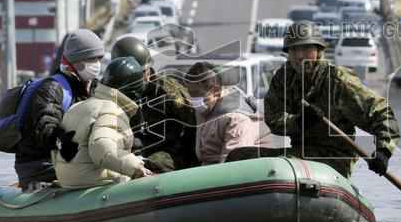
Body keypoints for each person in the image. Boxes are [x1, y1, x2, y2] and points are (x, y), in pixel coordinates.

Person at [228, 21, 400, 179]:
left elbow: (381, 114)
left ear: (319, 51)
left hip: (333, 158)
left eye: (306, 49)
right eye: (294, 50)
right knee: (237, 156)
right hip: (299, 152)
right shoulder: (285, 77)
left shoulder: (338, 81)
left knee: (282, 166)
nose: (300, 56)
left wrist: (383, 151)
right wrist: (299, 121)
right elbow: (273, 118)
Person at [15, 29, 104, 188]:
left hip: (74, 160)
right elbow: (45, 125)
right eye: (91, 59)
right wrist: (61, 141)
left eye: (99, 58)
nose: (96, 64)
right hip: (41, 165)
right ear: (76, 61)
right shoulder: (52, 88)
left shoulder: (96, 87)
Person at [53, 56, 154, 188]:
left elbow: (56, 148)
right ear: (134, 92)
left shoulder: (76, 107)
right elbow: (103, 149)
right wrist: (136, 166)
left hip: (68, 181)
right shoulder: (111, 110)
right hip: (95, 181)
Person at [110, 35, 197, 172]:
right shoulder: (116, 95)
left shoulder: (169, 93)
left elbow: (193, 129)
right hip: (133, 151)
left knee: (151, 165)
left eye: (145, 71)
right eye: (135, 74)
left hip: (171, 152)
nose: (143, 77)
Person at [184, 61, 263, 164]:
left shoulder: (237, 119)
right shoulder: (206, 109)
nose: (194, 100)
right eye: (191, 94)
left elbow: (233, 165)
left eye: (197, 94)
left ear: (216, 91)